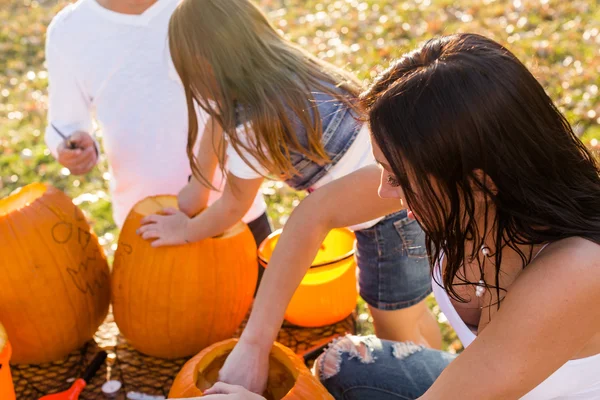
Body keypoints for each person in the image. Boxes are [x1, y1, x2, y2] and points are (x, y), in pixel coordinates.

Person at [173, 32, 600, 400]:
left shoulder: (576, 271)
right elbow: (315, 213)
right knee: (341, 364)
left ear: (481, 183)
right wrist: (253, 344)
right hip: (480, 384)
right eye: (381, 169)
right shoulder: (467, 191)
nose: (382, 192)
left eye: (397, 178)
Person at [138, 0, 440, 353]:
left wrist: (186, 231)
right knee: (414, 314)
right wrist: (192, 198)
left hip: (388, 223)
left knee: (396, 332)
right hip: (409, 200)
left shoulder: (253, 123)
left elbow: (234, 205)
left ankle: (430, 385)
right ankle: (442, 374)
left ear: (202, 67)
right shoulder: (291, 70)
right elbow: (210, 148)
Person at [44, 0, 270, 253]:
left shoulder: (204, 7)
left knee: (261, 292)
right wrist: (73, 146)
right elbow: (65, 123)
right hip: (149, 220)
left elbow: (251, 87)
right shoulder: (69, 30)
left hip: (236, 208)